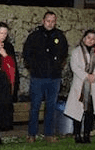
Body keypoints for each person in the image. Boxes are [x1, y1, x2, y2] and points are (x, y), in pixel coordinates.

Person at [22, 11, 68, 142]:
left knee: (51, 106)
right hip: (38, 77)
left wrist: (58, 65)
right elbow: (26, 54)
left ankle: (49, 134)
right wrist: (34, 67)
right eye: (48, 21)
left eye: (53, 21)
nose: (50, 23)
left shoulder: (60, 36)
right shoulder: (34, 36)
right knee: (35, 106)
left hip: (54, 77)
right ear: (43, 21)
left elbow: (64, 53)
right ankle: (31, 134)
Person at [64, 30, 95, 144]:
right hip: (80, 84)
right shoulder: (76, 52)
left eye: (93, 38)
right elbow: (75, 67)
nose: (90, 40)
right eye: (88, 37)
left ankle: (87, 134)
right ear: (84, 38)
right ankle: (77, 134)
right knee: (78, 111)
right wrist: (86, 76)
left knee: (90, 111)